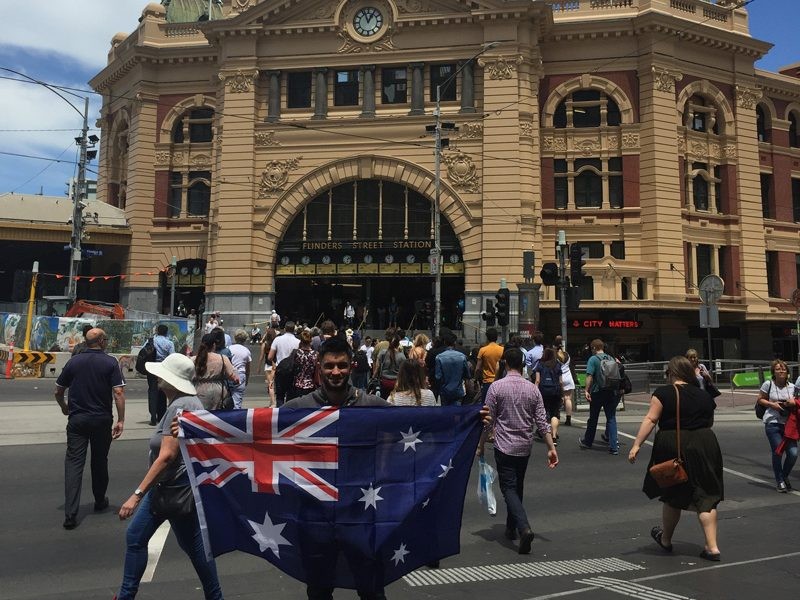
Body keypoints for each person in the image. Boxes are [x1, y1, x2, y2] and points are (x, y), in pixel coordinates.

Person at [116, 353, 223, 599]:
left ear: (171, 380)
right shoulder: (188, 402)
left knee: (195, 549)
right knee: (139, 537)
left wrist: (136, 494)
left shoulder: (180, 405)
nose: (157, 378)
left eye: (162, 375)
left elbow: (166, 456)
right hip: (171, 486)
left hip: (175, 488)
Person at [628, 356, 723, 561]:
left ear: (671, 373)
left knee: (673, 492)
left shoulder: (664, 393)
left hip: (675, 443)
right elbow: (709, 421)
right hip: (706, 443)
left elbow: (651, 419)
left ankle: (666, 540)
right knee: (707, 495)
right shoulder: (704, 395)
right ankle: (712, 547)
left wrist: (636, 445)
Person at [477, 346, 558, 554]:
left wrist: (481, 444)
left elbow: (487, 420)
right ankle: (511, 527)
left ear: (505, 364)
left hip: (504, 445)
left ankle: (523, 528)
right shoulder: (532, 389)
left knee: (508, 488)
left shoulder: (496, 388)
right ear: (522, 365)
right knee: (517, 485)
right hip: (524, 445)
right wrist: (551, 447)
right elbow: (542, 421)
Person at [54, 328, 125, 529]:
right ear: (101, 341)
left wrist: (64, 407)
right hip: (101, 420)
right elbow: (118, 392)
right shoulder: (110, 362)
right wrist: (121, 420)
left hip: (77, 420)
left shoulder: (74, 362)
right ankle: (100, 499)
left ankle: (70, 514)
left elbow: (58, 391)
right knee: (99, 461)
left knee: (74, 464)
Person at [756, 359, 797, 492]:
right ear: (773, 371)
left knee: (793, 453)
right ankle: (780, 481)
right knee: (778, 451)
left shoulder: (792, 387)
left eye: (784, 368)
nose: (781, 370)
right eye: (778, 368)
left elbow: (797, 401)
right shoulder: (768, 384)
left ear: (787, 372)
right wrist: (772, 404)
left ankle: (784, 476)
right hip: (773, 422)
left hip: (789, 424)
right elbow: (760, 399)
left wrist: (792, 403)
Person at [578, 339, 620, 455]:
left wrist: (586, 390)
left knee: (593, 418)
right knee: (611, 418)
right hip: (610, 392)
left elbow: (589, 376)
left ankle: (588, 441)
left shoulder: (593, 359)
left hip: (597, 392)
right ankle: (614, 446)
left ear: (594, 348)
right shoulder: (611, 358)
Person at [191, 333, 239, 410]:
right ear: (214, 345)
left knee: (201, 417)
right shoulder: (222, 358)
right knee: (216, 418)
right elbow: (232, 376)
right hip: (217, 392)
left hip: (198, 390)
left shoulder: (193, 359)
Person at [532, 347, 563, 444]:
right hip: (555, 391)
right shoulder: (557, 365)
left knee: (543, 412)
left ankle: (545, 432)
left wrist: (535, 391)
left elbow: (537, 380)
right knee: (555, 414)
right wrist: (561, 392)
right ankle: (554, 436)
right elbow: (561, 381)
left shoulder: (540, 365)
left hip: (543, 391)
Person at [147, 324, 175, 425]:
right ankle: (161, 415)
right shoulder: (169, 343)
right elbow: (172, 357)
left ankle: (153, 415)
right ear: (166, 332)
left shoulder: (150, 341)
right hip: (163, 369)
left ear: (157, 331)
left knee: (152, 392)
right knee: (163, 392)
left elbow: (144, 351)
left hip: (151, 368)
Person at [434, 330, 470, 406]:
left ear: (444, 343)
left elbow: (438, 377)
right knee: (457, 414)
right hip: (458, 390)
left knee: (445, 414)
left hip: (445, 391)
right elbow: (467, 375)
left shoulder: (439, 357)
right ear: (454, 343)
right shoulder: (462, 356)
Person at [269, 321, 301, 405]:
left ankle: (279, 414)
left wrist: (274, 363)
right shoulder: (298, 341)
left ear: (285, 329)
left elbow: (270, 357)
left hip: (280, 369)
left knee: (280, 396)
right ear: (294, 329)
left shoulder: (277, 339)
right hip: (292, 371)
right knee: (291, 395)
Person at [288, 329, 320, 400]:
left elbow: (291, 367)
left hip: (296, 385)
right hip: (310, 385)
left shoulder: (296, 353)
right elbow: (317, 370)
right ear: (311, 341)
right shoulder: (316, 354)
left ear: (301, 341)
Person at [475, 328, 504, 402]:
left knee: (486, 406)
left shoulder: (483, 350)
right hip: (500, 382)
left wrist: (476, 379)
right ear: (497, 338)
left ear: (487, 337)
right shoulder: (502, 349)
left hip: (487, 382)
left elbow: (478, 368)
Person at [373, 334, 406, 399]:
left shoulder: (383, 353)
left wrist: (373, 377)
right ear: (398, 344)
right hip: (397, 384)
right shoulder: (402, 356)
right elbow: (404, 371)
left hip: (384, 382)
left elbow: (377, 367)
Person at [554, 336, 576, 426]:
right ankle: (568, 419)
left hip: (559, 377)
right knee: (568, 398)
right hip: (568, 377)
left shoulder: (554, 355)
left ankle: (556, 416)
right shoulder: (567, 354)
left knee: (557, 398)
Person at [228, 329, 252, 409]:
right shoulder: (246, 351)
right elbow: (247, 367)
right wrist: (247, 379)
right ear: (245, 339)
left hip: (230, 374)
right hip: (241, 375)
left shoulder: (229, 348)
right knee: (237, 399)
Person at [259, 328, 278, 406]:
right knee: (274, 384)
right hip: (276, 364)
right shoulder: (276, 343)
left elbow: (261, 356)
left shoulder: (265, 344)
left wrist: (259, 367)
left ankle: (273, 402)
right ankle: (272, 401)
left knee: (270, 385)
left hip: (268, 365)